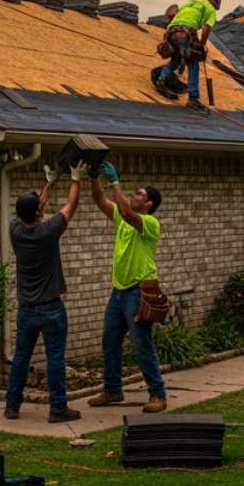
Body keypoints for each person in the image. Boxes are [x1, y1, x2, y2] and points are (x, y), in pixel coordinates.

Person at [3, 161, 90, 423]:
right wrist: (76, 178)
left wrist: (49, 183)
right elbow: (71, 206)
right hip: (51, 307)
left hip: (26, 309)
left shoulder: (15, 229)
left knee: (20, 357)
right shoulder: (48, 232)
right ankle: (58, 408)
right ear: (39, 213)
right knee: (54, 358)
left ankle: (12, 406)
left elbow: (36, 206)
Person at [85, 162, 167, 414]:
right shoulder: (121, 217)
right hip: (118, 292)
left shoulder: (149, 224)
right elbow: (100, 199)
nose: (134, 195)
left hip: (138, 293)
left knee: (142, 345)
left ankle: (158, 395)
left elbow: (129, 214)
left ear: (149, 203)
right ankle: (112, 389)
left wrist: (115, 182)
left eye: (139, 194)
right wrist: (93, 176)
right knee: (110, 342)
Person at [155, 0, 221, 111]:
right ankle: (193, 99)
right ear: (213, 2)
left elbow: (175, 16)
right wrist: (201, 44)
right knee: (193, 64)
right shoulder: (209, 8)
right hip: (186, 30)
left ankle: (162, 77)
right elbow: (207, 27)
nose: (215, 9)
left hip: (171, 29)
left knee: (176, 58)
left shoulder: (190, 3)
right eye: (216, 7)